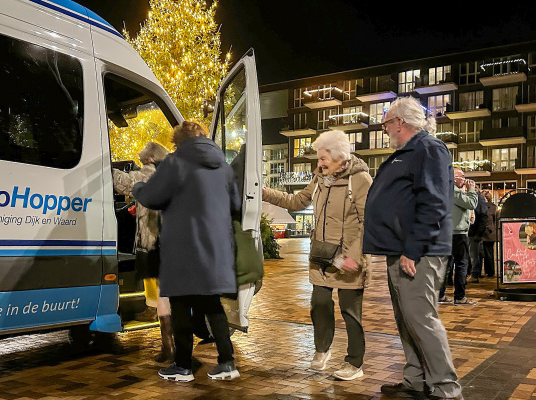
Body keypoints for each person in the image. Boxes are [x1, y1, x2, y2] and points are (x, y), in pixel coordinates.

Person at [363, 96, 465, 400]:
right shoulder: (410, 151)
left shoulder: (429, 149)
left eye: (386, 122)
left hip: (419, 252)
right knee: (407, 318)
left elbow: (434, 203)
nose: (384, 128)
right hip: (401, 249)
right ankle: (416, 380)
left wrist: (413, 249)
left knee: (420, 318)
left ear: (400, 122)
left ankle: (447, 389)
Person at [132, 120, 241, 382]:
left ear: (177, 141)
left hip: (184, 246)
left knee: (180, 303)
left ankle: (182, 366)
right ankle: (227, 363)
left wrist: (138, 188)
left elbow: (151, 196)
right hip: (216, 247)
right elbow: (235, 204)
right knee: (211, 303)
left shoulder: (175, 162)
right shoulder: (223, 166)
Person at [262, 130, 372, 381]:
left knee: (350, 312)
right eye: (319, 158)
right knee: (319, 303)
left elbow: (368, 221)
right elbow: (298, 200)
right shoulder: (320, 178)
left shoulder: (360, 179)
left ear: (340, 157)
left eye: (323, 158)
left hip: (348, 258)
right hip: (322, 255)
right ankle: (322, 348)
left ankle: (354, 363)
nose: (319, 163)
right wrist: (266, 193)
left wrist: (355, 256)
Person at [112, 142, 174, 362]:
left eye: (142, 160)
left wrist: (107, 167)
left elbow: (125, 184)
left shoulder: (149, 173)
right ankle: (171, 344)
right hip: (173, 240)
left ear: (150, 159)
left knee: (162, 294)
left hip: (154, 240)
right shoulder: (173, 172)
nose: (141, 164)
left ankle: (169, 346)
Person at [439, 169, 478, 305]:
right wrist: (471, 190)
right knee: (461, 264)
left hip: (446, 233)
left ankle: (440, 295)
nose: (465, 180)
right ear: (455, 178)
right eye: (463, 177)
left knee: (446, 265)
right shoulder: (454, 192)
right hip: (457, 233)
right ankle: (460, 296)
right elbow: (471, 204)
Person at [467, 186, 488, 283]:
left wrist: (479, 234)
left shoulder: (479, 200)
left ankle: (474, 274)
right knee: (475, 254)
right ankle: (475, 273)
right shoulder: (480, 200)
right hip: (475, 232)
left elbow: (483, 217)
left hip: (474, 232)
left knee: (474, 254)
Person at [481, 190, 498, 278]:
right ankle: (489, 271)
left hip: (488, 233)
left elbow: (496, 220)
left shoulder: (491, 207)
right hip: (487, 233)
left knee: (488, 253)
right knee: (487, 253)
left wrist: (492, 228)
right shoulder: (493, 207)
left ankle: (490, 271)